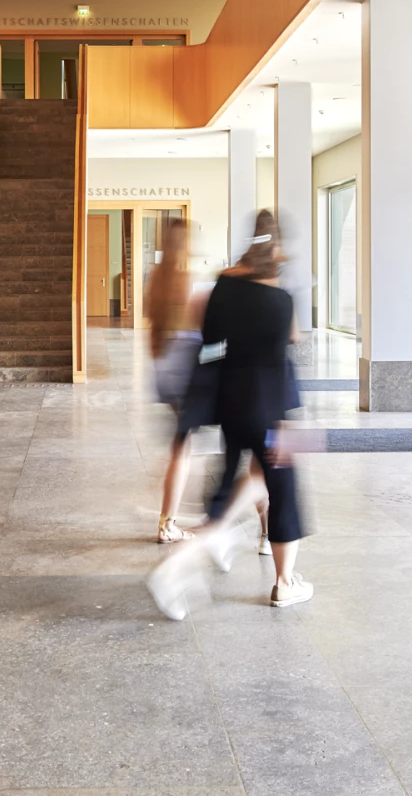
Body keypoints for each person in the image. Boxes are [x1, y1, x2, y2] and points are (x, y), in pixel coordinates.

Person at [146, 211, 311, 617]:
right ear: (276, 246)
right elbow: (291, 341)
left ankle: (206, 543)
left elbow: (210, 341)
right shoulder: (281, 299)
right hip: (272, 406)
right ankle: (284, 581)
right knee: (284, 489)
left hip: (230, 402)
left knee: (237, 485)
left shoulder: (223, 286)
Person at [145, 218, 203, 543]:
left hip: (163, 366)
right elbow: (194, 326)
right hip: (183, 368)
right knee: (182, 448)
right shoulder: (183, 278)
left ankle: (169, 516)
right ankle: (167, 523)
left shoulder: (156, 276)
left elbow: (154, 323)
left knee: (182, 444)